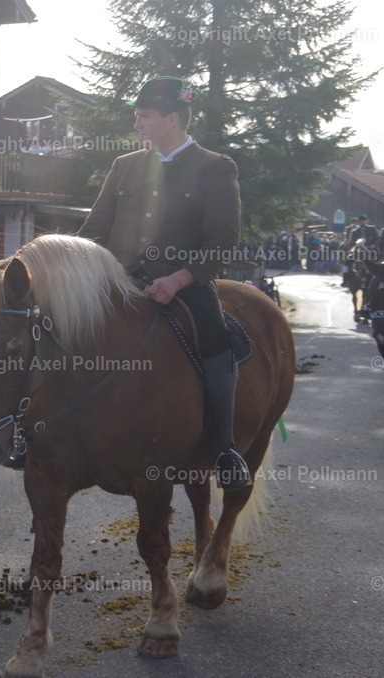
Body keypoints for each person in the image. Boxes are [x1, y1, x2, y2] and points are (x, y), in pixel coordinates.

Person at [78, 76, 249, 491]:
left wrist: (178, 278)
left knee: (215, 336)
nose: (136, 124)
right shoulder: (124, 166)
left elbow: (221, 242)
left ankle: (224, 447)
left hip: (184, 286)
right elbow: (93, 231)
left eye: (144, 116)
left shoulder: (215, 167)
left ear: (171, 118)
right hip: (118, 283)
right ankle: (39, 433)